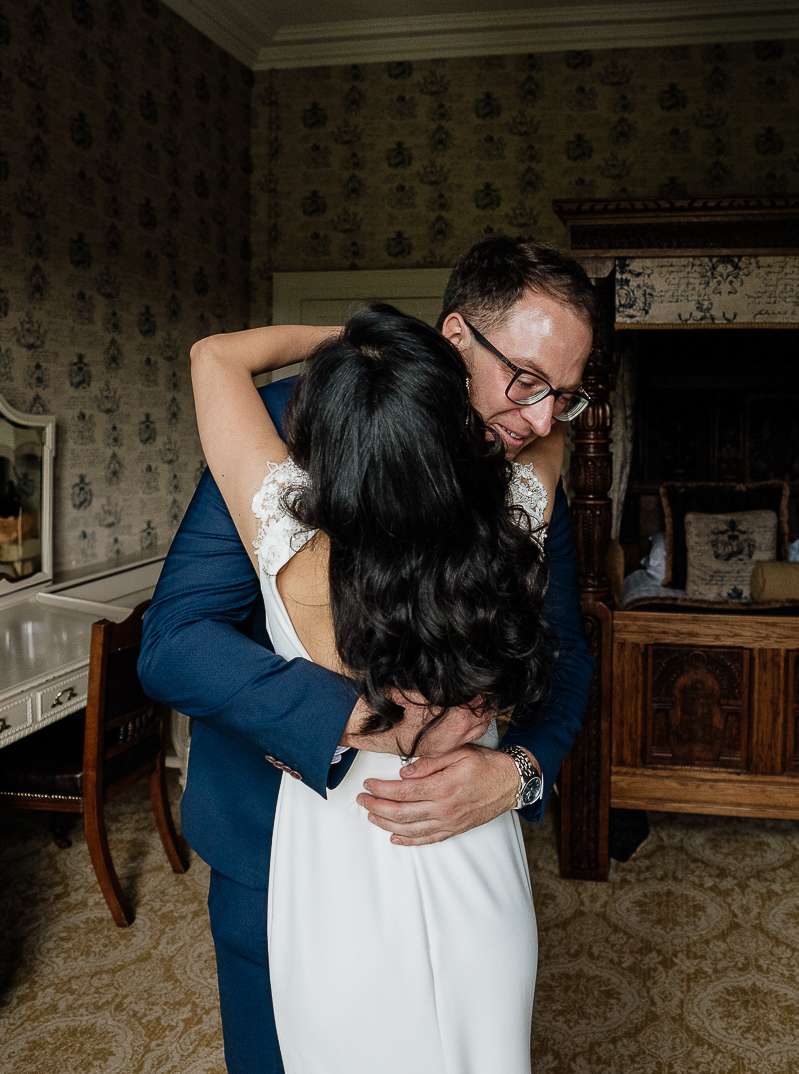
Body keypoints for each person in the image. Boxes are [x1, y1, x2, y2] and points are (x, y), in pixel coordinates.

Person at [139, 238, 599, 1074]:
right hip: (276, 846)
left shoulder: (531, 470)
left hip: (464, 843)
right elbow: (175, 641)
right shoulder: (282, 427)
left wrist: (522, 769)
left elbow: (565, 649)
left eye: (564, 398)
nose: (539, 420)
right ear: (454, 335)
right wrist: (339, 716)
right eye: (526, 381)